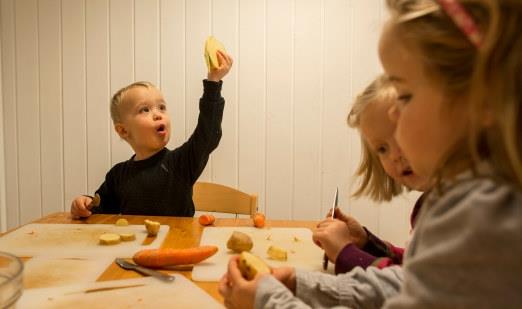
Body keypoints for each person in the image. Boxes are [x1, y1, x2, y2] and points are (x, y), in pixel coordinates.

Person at [218, 0, 522, 307]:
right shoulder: (474, 204)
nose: (393, 111)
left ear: (481, 95)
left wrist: (268, 302)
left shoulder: (483, 221)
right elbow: (405, 283)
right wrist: (302, 283)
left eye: (403, 95)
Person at [71, 50, 233, 218]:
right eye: (145, 109)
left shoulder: (181, 163)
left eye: (161, 107)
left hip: (179, 242)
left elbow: (208, 135)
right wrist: (84, 204)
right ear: (123, 130)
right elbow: (99, 211)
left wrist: (213, 83)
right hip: (135, 244)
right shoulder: (117, 176)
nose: (158, 114)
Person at [314, 75, 429, 275]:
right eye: (382, 149)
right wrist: (367, 243)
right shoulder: (432, 203)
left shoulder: (456, 211)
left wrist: (345, 253)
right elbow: (415, 265)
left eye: (402, 137)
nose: (395, 156)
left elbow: (407, 284)